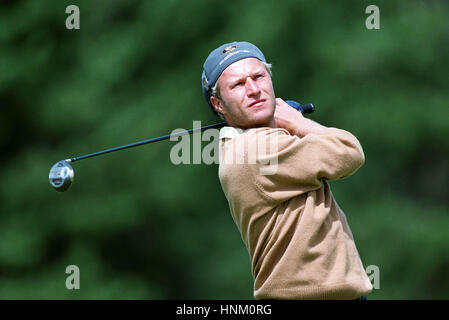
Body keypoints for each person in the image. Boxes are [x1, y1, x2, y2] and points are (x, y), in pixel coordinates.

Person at [201, 41, 373, 300]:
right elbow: (348, 151)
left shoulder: (247, 144)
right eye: (238, 85)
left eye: (258, 76)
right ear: (218, 104)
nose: (253, 89)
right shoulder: (256, 148)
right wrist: (298, 121)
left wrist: (286, 124)